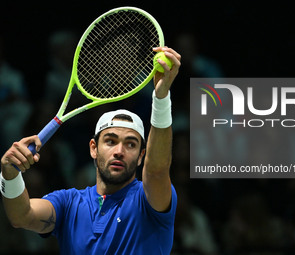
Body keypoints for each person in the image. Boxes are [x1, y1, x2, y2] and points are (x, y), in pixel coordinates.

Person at [0, 47, 181, 254]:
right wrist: (10, 175)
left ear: (142, 156)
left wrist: (161, 98)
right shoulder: (68, 204)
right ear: (93, 149)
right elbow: (21, 216)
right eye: (110, 141)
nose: (119, 151)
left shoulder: (148, 200)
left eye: (131, 144)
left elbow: (157, 170)